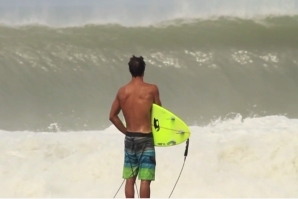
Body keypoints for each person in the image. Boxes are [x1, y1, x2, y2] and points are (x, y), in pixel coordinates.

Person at [109, 55, 162, 198]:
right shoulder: (152, 89)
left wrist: (126, 131)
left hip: (130, 139)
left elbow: (112, 116)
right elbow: (159, 114)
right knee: (145, 179)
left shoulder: (122, 91)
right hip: (146, 138)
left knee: (130, 179)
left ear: (130, 71)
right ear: (143, 70)